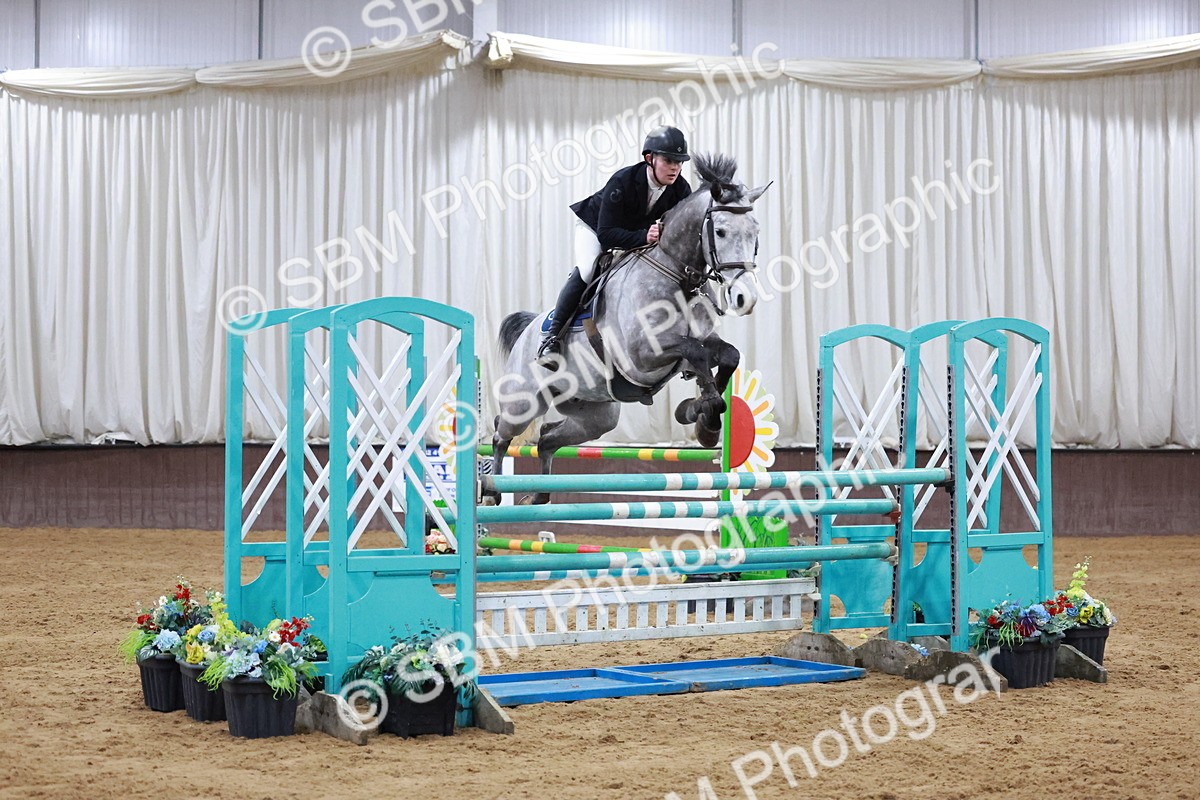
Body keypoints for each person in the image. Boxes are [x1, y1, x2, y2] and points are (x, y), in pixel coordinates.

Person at [536, 125, 693, 370]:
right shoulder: (624, 181)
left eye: (680, 162)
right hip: (596, 228)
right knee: (588, 269)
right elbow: (607, 235)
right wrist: (644, 237)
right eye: (669, 160)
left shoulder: (682, 190)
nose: (675, 168)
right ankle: (552, 338)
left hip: (638, 236)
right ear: (650, 158)